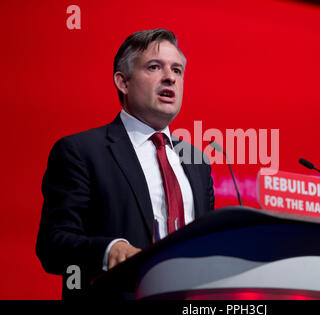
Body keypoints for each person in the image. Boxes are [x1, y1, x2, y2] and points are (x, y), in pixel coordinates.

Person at [35, 28, 215, 299]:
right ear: (123, 82)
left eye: (177, 71)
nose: (170, 77)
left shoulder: (197, 162)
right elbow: (53, 246)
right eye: (155, 67)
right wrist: (111, 250)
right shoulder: (81, 151)